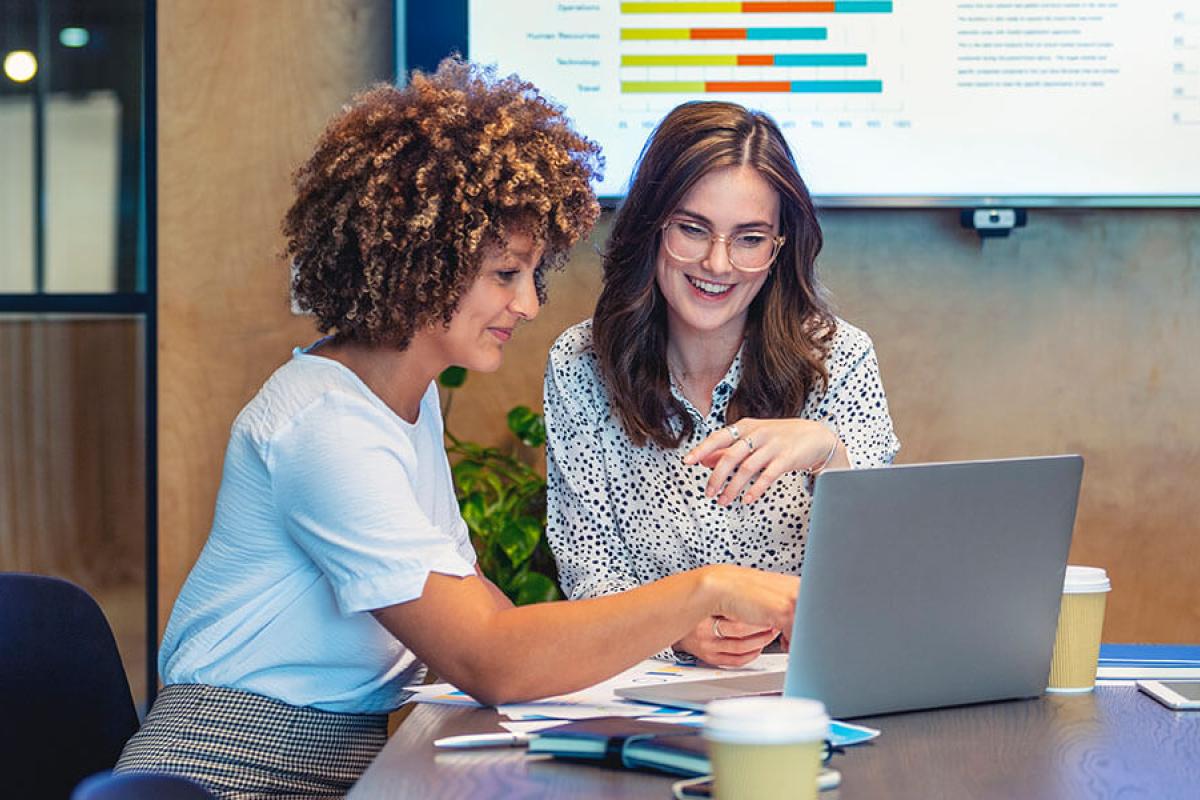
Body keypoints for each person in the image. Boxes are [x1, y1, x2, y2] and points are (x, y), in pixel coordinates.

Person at [113, 61, 798, 798]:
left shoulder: (402, 402)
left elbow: (486, 617)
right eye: (505, 274)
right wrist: (706, 591)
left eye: (532, 276)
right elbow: (489, 657)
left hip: (342, 759)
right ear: (420, 264)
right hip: (225, 769)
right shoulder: (323, 429)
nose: (529, 306)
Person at [544, 101, 900, 669]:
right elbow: (588, 564)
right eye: (692, 229)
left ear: (779, 248)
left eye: (749, 238)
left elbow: (882, 567)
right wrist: (677, 631)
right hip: (644, 686)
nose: (717, 263)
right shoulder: (581, 363)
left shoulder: (841, 357)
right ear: (651, 227)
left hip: (802, 685)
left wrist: (828, 451)